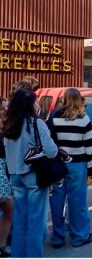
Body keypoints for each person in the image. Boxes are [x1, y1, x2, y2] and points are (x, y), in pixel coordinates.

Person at [2, 89, 58, 257]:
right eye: (35, 101)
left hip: (15, 175)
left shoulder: (8, 125)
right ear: (30, 104)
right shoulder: (36, 123)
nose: (37, 104)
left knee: (19, 221)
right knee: (35, 221)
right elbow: (52, 151)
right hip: (34, 175)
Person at [47, 88, 92, 248]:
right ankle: (79, 236)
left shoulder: (54, 117)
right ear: (79, 100)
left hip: (58, 165)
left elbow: (50, 141)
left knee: (56, 201)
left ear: (64, 99)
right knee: (78, 201)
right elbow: (90, 147)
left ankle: (57, 237)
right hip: (78, 165)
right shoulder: (84, 118)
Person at [0, 97, 12, 258]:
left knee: (9, 210)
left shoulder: (5, 126)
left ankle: (2, 245)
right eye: (2, 108)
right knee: (9, 209)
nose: (4, 110)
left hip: (4, 171)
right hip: (1, 173)